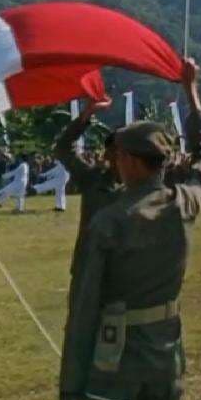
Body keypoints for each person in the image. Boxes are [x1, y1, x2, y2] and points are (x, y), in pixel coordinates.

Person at [59, 59, 201, 400]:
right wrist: (192, 90)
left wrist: (71, 386)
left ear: (128, 159)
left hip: (119, 356)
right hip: (167, 349)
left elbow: (84, 312)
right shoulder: (184, 202)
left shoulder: (111, 222)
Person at [54, 95, 122, 281]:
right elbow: (63, 149)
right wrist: (86, 115)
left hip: (126, 275)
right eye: (113, 151)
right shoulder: (93, 178)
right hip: (88, 271)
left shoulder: (147, 188)